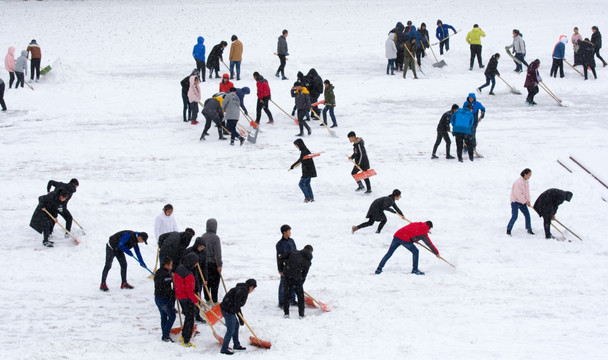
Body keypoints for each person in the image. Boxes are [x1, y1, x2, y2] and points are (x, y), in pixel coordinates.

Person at [220, 279, 257, 354]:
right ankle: (224, 349)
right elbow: (237, 303)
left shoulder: (241, 288)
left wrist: (241, 318)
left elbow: (237, 304)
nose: (252, 291)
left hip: (228, 308)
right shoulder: (243, 290)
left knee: (236, 325)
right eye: (253, 288)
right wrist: (240, 317)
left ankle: (236, 345)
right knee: (230, 330)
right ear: (251, 287)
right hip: (228, 310)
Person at [174, 252, 200, 348]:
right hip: (186, 298)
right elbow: (189, 290)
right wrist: (195, 301)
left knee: (187, 317)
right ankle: (186, 340)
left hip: (180, 297)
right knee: (190, 319)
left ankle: (184, 334)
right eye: (196, 262)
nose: (196, 265)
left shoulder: (179, 268)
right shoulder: (189, 274)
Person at [282, 245, 313, 319]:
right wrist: (300, 283)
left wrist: (283, 269)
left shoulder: (294, 252)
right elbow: (304, 274)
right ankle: (301, 315)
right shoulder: (308, 261)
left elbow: (282, 257)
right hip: (297, 278)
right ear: (310, 252)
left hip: (287, 275)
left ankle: (286, 314)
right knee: (300, 296)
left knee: (286, 295)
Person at [506, 168, 534, 236]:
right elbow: (517, 193)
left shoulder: (526, 182)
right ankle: (509, 229)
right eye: (529, 175)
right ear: (525, 174)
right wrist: (525, 201)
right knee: (515, 216)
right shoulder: (518, 182)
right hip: (515, 201)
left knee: (527, 215)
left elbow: (527, 192)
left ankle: (529, 228)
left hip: (522, 202)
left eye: (530, 175)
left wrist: (528, 201)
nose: (529, 177)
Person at [154, 257, 176, 342]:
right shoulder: (165, 275)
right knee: (172, 316)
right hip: (164, 300)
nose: (171, 267)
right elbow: (167, 284)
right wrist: (172, 278)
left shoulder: (159, 271)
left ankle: (165, 333)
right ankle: (165, 335)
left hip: (157, 298)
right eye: (170, 265)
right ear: (166, 265)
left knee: (163, 316)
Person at [201, 218, 222, 304]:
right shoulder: (215, 238)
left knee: (206, 282)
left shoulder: (203, 236)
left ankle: (207, 299)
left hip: (204, 264)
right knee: (214, 284)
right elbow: (217, 252)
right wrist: (219, 265)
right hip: (213, 264)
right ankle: (214, 301)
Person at [276, 225, 297, 308]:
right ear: (284, 232)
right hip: (285, 267)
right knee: (283, 284)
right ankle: (281, 302)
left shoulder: (292, 241)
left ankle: (292, 300)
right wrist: (280, 269)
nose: (290, 232)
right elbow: (279, 257)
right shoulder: (280, 244)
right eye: (289, 231)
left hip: (293, 266)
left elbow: (296, 253)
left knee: (293, 283)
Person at [290, 138, 316, 203]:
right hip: (309, 171)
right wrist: (293, 165)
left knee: (301, 184)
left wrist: (293, 165)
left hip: (307, 171)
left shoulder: (305, 151)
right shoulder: (305, 150)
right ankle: (311, 198)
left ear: (300, 144)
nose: (296, 147)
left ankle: (307, 197)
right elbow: (301, 160)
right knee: (307, 184)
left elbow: (301, 160)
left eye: (296, 145)